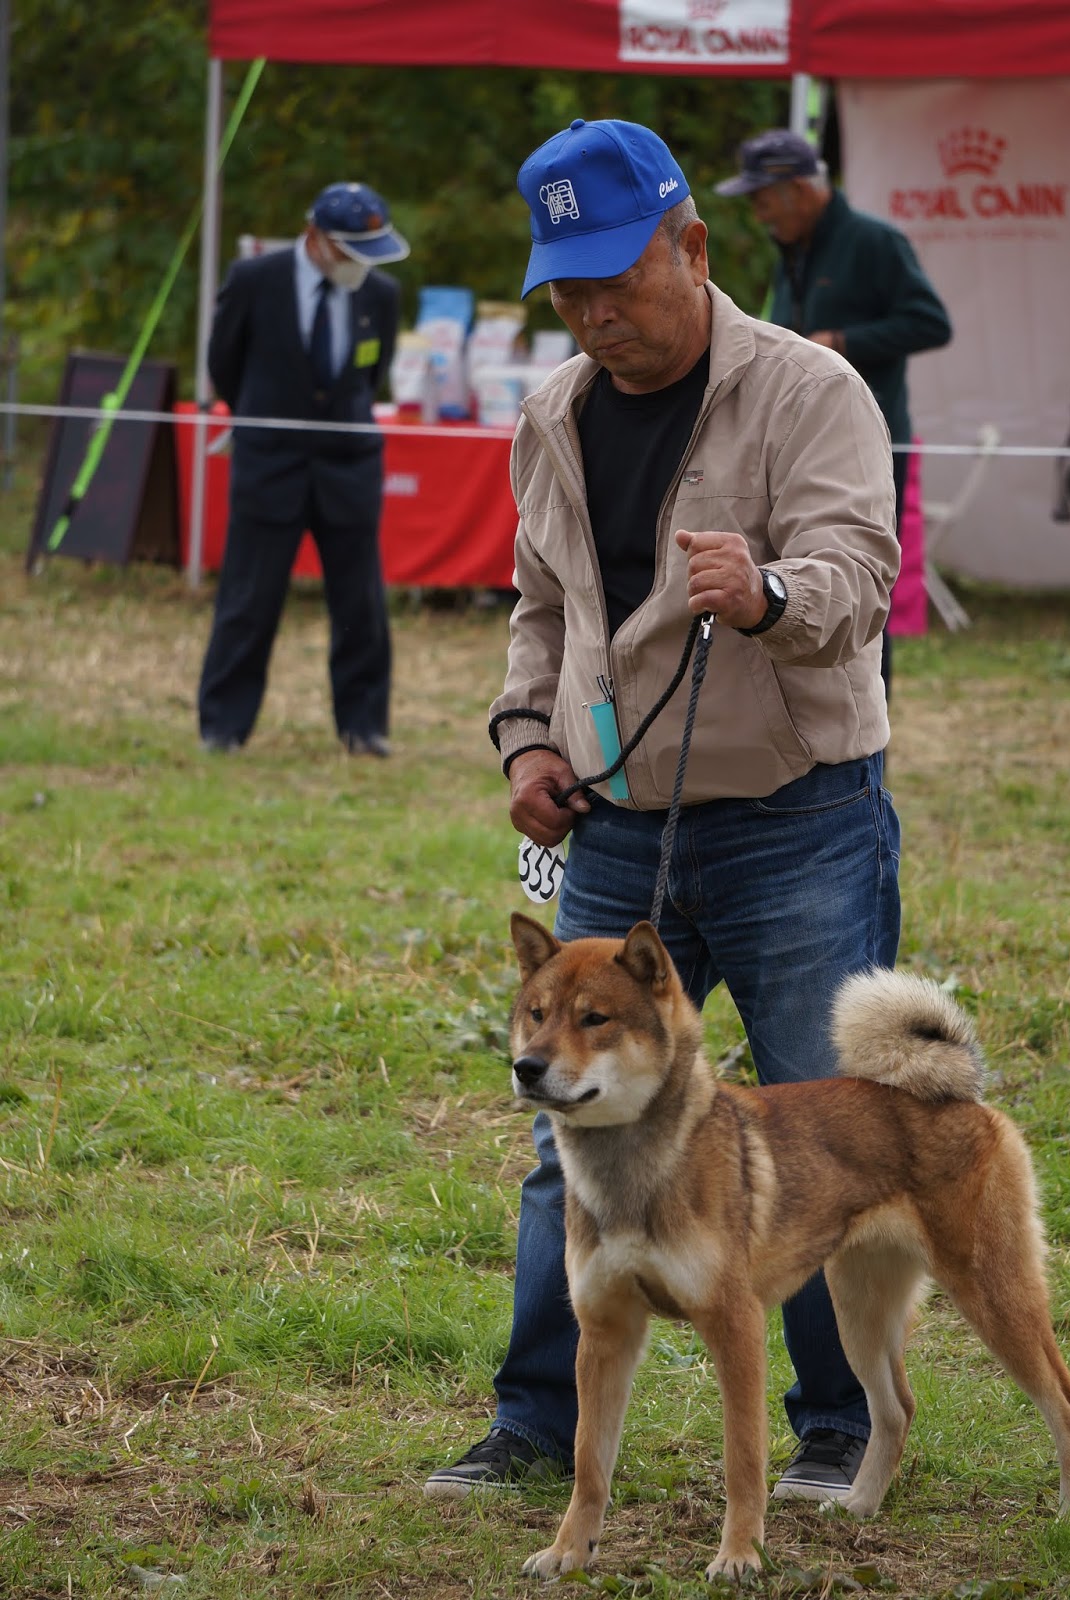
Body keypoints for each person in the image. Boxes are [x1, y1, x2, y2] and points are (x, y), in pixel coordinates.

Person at [423, 118, 902, 1507]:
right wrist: (526, 744)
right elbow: (543, 613)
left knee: (822, 1121)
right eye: (566, 291)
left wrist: (764, 593)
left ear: (691, 249)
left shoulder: (809, 390)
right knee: (565, 1128)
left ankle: (832, 1428)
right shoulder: (551, 413)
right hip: (617, 825)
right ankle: (529, 1424)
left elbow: (858, 579)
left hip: (795, 817)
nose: (593, 316)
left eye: (616, 284)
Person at [714, 128, 951, 696]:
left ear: (797, 189)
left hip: (868, 444)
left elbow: (932, 323)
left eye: (762, 197)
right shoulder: (789, 248)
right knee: (797, 583)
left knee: (862, 587)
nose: (757, 212)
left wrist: (842, 341)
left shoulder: (875, 242)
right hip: (790, 441)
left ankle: (869, 724)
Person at [197, 182, 408, 755]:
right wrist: (265, 422)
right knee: (248, 599)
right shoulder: (253, 280)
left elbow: (372, 372)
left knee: (360, 604)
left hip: (349, 468)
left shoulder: (379, 295)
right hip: (270, 465)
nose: (359, 266)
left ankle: (363, 727)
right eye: (349, 252)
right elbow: (225, 364)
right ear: (314, 237)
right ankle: (223, 726)